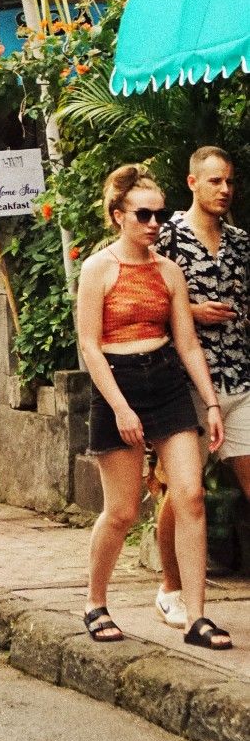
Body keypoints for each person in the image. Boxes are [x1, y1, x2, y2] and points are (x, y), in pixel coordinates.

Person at [76, 164, 229, 651]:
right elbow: (89, 346)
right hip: (117, 385)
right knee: (121, 511)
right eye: (143, 214)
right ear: (118, 215)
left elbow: (186, 343)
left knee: (190, 495)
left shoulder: (168, 271)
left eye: (159, 214)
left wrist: (210, 403)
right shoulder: (97, 268)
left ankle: (196, 617)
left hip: (164, 381)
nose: (153, 223)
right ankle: (95, 603)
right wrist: (120, 408)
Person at [153, 145, 250, 628]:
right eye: (214, 181)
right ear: (193, 183)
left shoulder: (240, 242)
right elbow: (145, 301)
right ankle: (170, 585)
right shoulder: (165, 235)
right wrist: (191, 312)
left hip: (239, 377)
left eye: (229, 181)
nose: (225, 190)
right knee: (182, 491)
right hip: (185, 381)